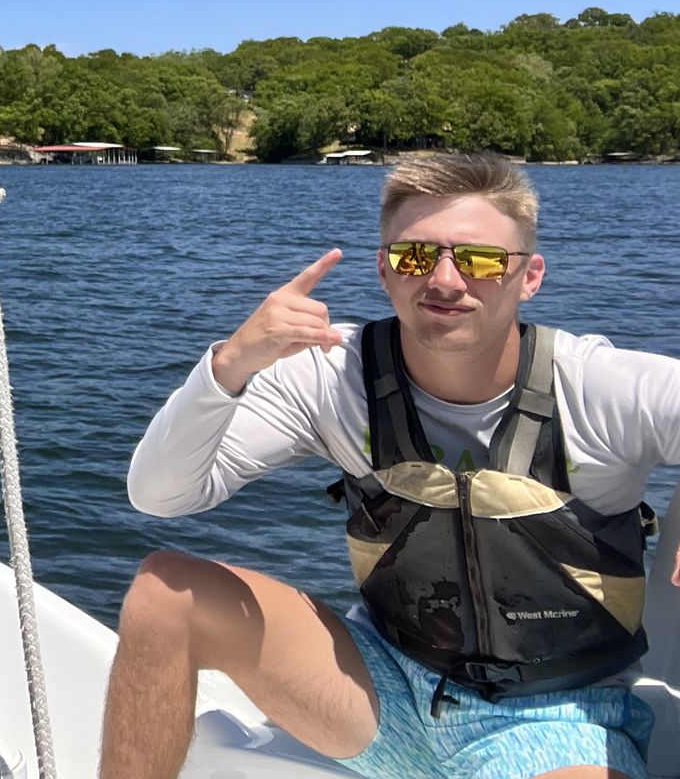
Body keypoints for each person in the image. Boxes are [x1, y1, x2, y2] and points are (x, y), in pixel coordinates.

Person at [99, 153, 680, 779]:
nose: (445, 281)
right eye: (415, 256)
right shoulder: (332, 376)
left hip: (558, 714)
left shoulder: (597, 387)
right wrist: (230, 365)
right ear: (384, 270)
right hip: (381, 683)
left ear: (529, 276)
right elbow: (159, 494)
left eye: (481, 260)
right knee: (163, 594)